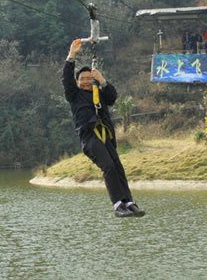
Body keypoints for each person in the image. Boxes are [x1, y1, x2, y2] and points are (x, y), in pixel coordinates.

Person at [62, 39, 145, 218]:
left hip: (106, 136)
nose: (86, 82)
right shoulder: (74, 95)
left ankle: (128, 202)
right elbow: (66, 79)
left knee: (117, 167)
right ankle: (117, 204)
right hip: (90, 137)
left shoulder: (98, 92)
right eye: (82, 79)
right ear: (77, 82)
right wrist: (72, 55)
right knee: (108, 166)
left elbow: (112, 97)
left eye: (89, 79)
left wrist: (101, 80)